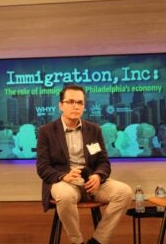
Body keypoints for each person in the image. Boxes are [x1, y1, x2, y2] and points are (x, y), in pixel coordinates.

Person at [36, 85, 132, 244]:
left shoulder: (94, 130)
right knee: (65, 196)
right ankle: (77, 241)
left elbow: (103, 162)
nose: (75, 106)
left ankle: (98, 240)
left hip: (91, 183)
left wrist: (98, 175)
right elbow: (43, 167)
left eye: (80, 102)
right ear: (61, 105)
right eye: (71, 101)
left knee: (125, 192)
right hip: (64, 182)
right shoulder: (46, 131)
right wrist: (63, 176)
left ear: (84, 106)